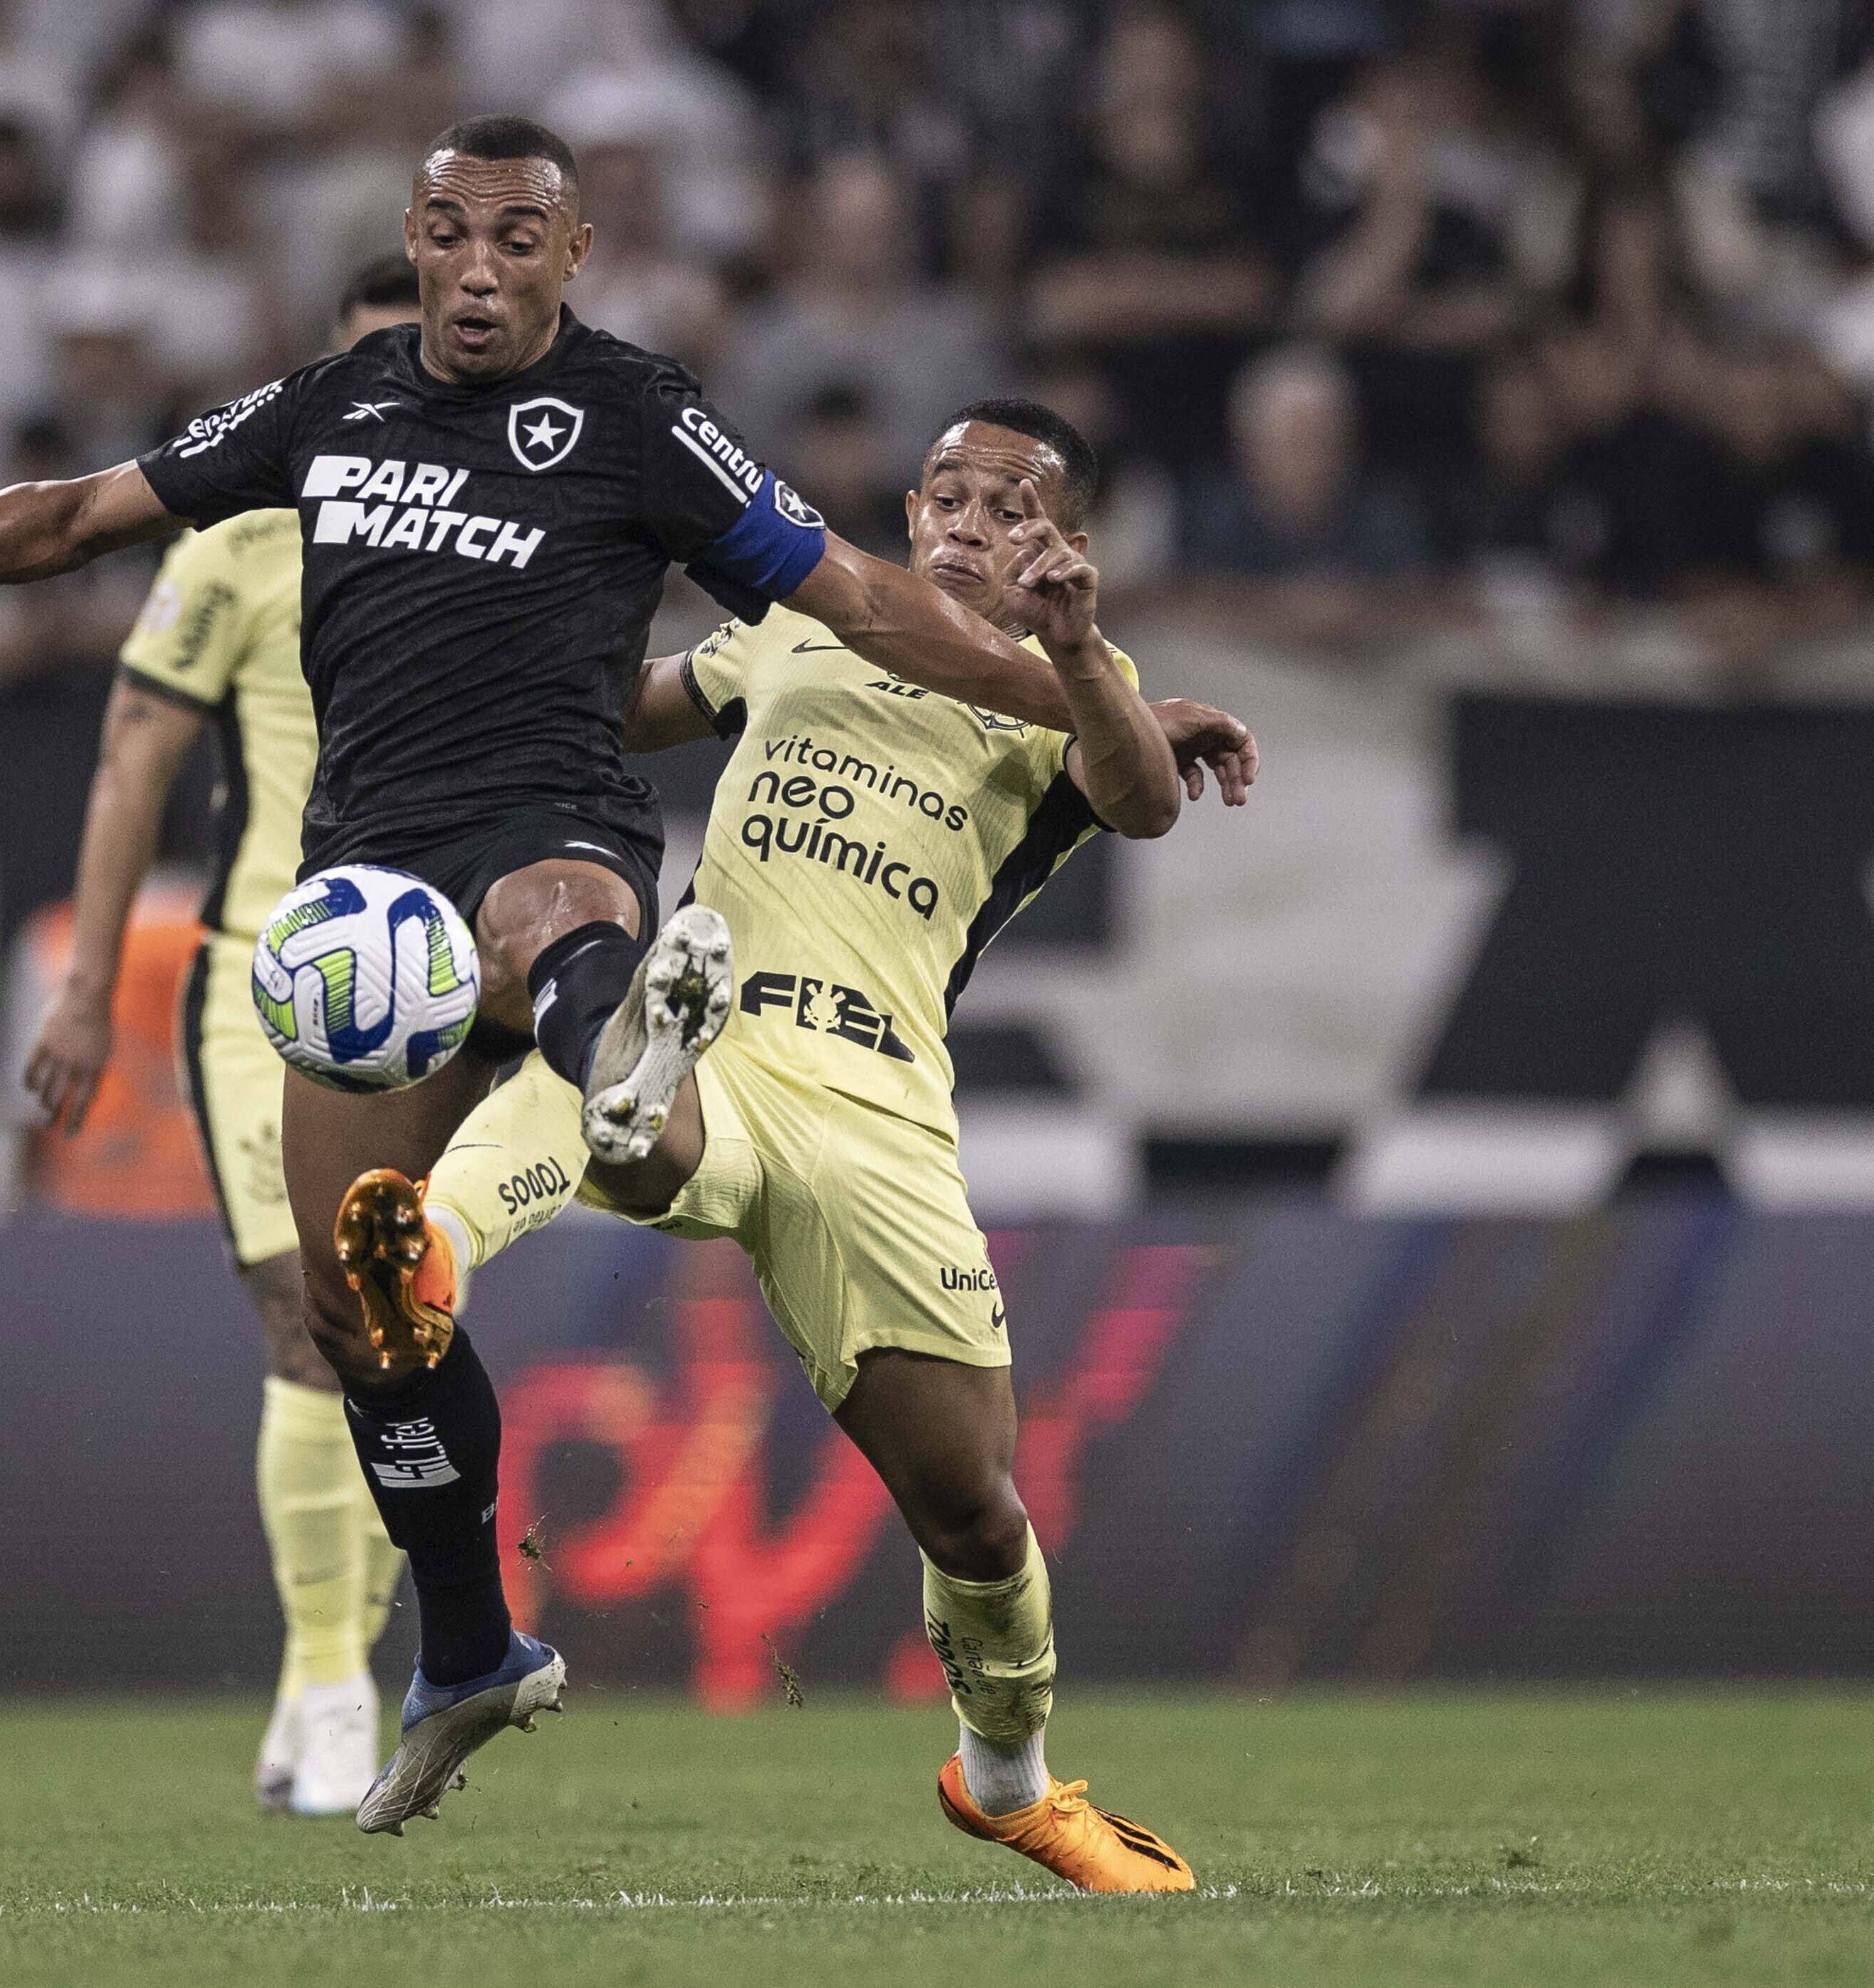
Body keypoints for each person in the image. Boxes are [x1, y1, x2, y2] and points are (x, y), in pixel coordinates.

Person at [0, 115, 1141, 1837]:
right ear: (414, 236)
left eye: (521, 239)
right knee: (357, 1307)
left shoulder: (640, 415)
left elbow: (869, 600)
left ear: (571, 253)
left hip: (551, 833)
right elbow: (80, 512)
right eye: (451, 235)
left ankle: (635, 1079)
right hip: (359, 890)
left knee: (548, 924)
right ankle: (465, 1645)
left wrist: (1091, 690)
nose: (480, 271)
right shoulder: (328, 408)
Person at [358, 400, 1258, 1892]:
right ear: (909, 514)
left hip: (877, 1100)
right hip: (721, 1021)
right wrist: (491, 634)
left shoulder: (1066, 688)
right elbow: (608, 707)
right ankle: (429, 1252)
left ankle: (1008, 1779)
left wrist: (1089, 655)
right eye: (948, 498)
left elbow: (1144, 804)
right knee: (616, 1081)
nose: (968, 526)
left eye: (1008, 507)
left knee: (974, 1506)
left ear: (1064, 543)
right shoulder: (794, 625)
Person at [22, 255, 424, 1820]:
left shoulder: (521, 538)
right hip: (276, 974)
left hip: (451, 994)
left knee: (401, 1341)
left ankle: (311, 1673)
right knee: (306, 1320)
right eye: (368, 362)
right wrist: (82, 987)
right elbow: (136, 752)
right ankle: (333, 1682)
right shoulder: (248, 535)